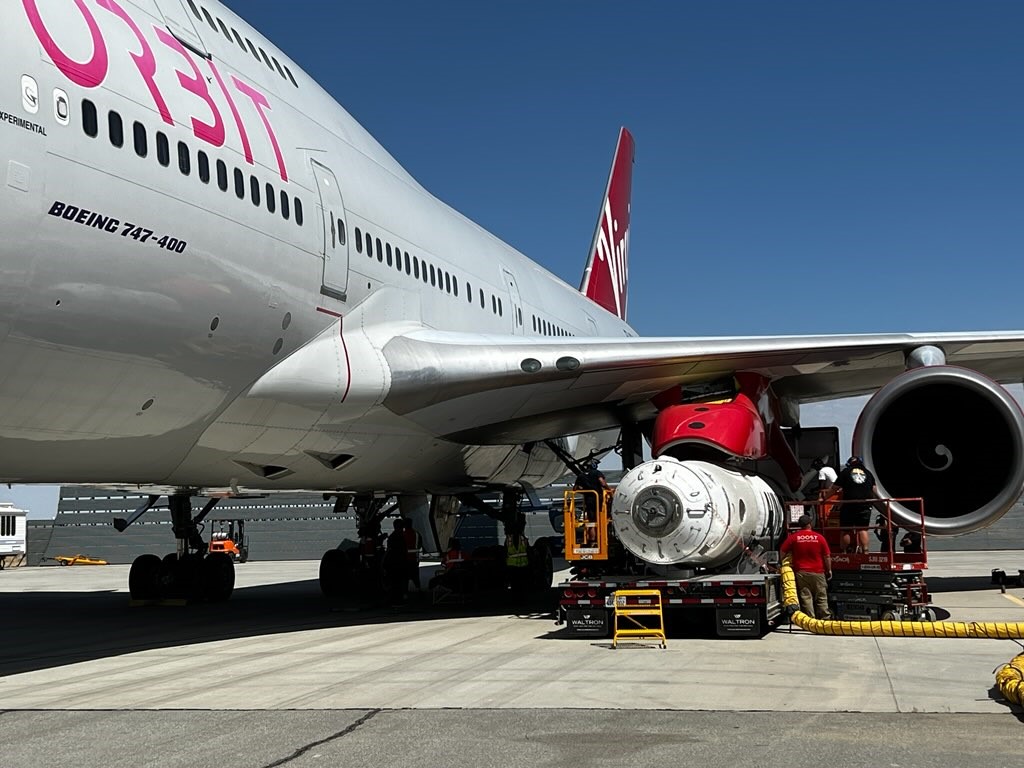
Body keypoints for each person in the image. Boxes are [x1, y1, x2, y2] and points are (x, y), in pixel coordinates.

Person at [780, 514, 832, 619]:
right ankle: (825, 619)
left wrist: (782, 563)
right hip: (818, 572)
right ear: (809, 524)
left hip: (801, 573)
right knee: (821, 597)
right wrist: (829, 570)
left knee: (806, 597)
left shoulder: (794, 537)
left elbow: (782, 551)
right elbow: (827, 556)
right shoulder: (819, 537)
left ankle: (810, 620)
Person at [834, 456, 881, 554]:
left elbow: (835, 487)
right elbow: (874, 489)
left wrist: (824, 498)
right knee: (863, 529)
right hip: (865, 505)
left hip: (849, 504)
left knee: (845, 530)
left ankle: (844, 552)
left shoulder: (846, 472)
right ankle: (865, 551)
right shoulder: (868, 473)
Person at [573, 459, 610, 545]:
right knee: (602, 518)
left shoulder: (581, 476)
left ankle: (592, 540)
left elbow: (575, 489)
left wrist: (585, 492)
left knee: (591, 520)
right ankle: (602, 538)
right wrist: (609, 489)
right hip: (598, 500)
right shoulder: (596, 473)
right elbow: (602, 483)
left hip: (588, 500)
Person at [383, 519, 408, 604]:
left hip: (394, 562)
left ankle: (395, 598)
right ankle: (400, 598)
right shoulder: (402, 536)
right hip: (400, 562)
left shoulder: (392, 537)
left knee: (394, 581)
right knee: (400, 581)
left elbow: (389, 550)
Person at [504, 519, 530, 593]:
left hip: (512, 567)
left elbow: (505, 552)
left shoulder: (509, 539)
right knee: (522, 586)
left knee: (515, 586)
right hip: (523, 566)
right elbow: (528, 551)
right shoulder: (523, 539)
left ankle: (516, 599)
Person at [402, 519, 422, 593]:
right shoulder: (416, 534)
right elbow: (420, 544)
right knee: (415, 576)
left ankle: (405, 593)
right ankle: (419, 590)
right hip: (415, 558)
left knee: (405, 577)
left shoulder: (403, 534)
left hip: (405, 559)